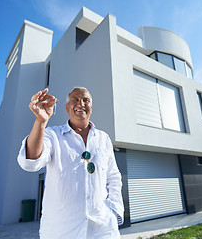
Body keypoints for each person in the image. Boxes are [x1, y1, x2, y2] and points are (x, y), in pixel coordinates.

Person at [17, 87, 124, 239]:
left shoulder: (103, 138)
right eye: (75, 99)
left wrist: (114, 211)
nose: (81, 103)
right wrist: (41, 122)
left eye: (85, 100)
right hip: (61, 231)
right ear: (67, 108)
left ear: (91, 107)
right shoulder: (52, 135)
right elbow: (31, 162)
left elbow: (113, 176)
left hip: (103, 230)